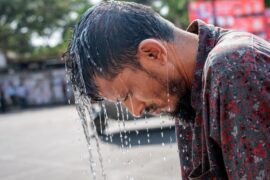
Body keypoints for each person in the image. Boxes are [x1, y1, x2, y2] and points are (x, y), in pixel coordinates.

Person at [64, 1, 270, 179]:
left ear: (153, 53)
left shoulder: (231, 67)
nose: (135, 110)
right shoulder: (186, 93)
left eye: (128, 94)